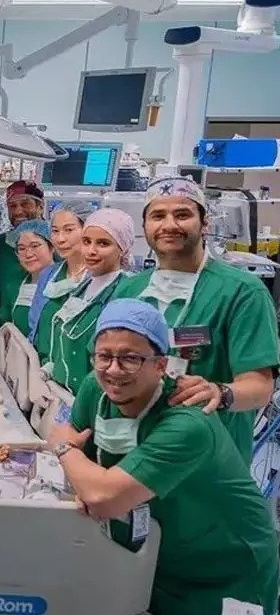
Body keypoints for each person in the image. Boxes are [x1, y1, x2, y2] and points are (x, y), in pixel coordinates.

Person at [47, 298, 278, 615]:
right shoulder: (96, 391)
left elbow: (101, 495)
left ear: (160, 365)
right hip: (161, 554)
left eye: (131, 358)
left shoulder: (187, 423)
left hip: (225, 568)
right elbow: (83, 460)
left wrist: (61, 448)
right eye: (104, 356)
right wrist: (87, 478)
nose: (113, 370)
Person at [112, 176, 280, 461]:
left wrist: (219, 393)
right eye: (157, 216)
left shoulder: (242, 292)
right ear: (145, 227)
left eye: (182, 215)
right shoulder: (129, 289)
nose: (169, 225)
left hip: (208, 456)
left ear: (205, 224)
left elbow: (260, 387)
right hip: (135, 451)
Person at [33, 209, 133, 393]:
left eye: (103, 243)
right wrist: (49, 369)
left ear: (122, 248)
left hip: (92, 399)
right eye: (86, 242)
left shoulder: (125, 292)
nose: (91, 251)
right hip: (63, 393)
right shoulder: (86, 287)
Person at [28, 201, 97, 344]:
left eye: (68, 230)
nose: (60, 239)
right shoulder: (48, 275)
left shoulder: (98, 278)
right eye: (55, 231)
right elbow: (34, 325)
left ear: (87, 230)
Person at [0, 181, 47, 332]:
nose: (18, 211)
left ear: (40, 206)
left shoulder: (58, 243)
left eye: (25, 204)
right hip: (7, 330)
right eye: (12, 206)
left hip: (46, 330)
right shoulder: (2, 244)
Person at [8, 220, 55, 336]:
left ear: (52, 246)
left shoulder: (63, 282)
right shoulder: (18, 285)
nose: (28, 254)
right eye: (21, 248)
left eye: (35, 246)